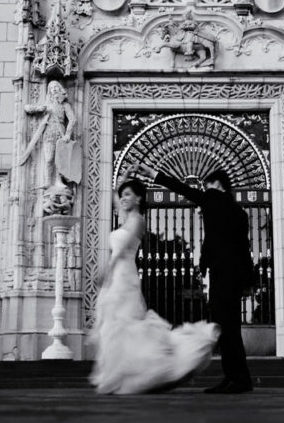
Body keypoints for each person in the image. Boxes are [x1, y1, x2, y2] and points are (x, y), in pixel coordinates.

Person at [89, 166, 219, 395]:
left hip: (124, 276)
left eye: (128, 194)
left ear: (139, 198)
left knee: (126, 323)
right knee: (115, 325)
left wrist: (106, 271)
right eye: (123, 195)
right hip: (117, 276)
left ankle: (154, 367)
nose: (123, 198)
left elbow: (122, 251)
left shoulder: (137, 220)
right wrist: (124, 178)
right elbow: (111, 196)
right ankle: (121, 371)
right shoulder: (125, 215)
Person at [136, 164, 254, 394]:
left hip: (222, 274)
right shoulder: (240, 213)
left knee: (225, 326)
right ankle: (237, 378)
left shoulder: (212, 198)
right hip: (235, 276)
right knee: (231, 328)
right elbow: (244, 248)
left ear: (216, 185)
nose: (203, 190)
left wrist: (153, 174)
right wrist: (249, 281)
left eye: (206, 186)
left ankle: (236, 379)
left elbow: (183, 189)